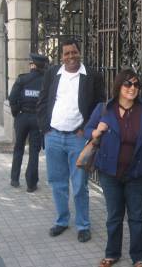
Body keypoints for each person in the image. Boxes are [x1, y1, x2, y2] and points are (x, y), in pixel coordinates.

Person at [84, 69, 142, 267]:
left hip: (137, 173)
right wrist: (96, 131)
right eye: (128, 84)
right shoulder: (104, 109)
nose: (132, 88)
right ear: (118, 87)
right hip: (109, 172)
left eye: (136, 85)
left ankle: (140, 258)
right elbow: (87, 131)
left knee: (137, 217)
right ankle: (112, 253)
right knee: (114, 216)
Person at [37, 38, 104, 242]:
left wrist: (85, 130)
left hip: (77, 138)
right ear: (61, 56)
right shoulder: (52, 74)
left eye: (74, 52)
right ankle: (62, 220)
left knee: (79, 184)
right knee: (57, 182)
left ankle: (83, 225)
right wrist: (45, 129)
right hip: (53, 136)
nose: (71, 57)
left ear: (79, 52)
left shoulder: (92, 76)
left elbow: (100, 106)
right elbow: (43, 101)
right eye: (66, 53)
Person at [9, 52, 49, 192]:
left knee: (18, 147)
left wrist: (17, 114)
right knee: (34, 151)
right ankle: (31, 184)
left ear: (32, 64)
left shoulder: (23, 79)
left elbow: (12, 98)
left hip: (23, 117)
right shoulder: (46, 82)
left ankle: (14, 179)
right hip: (37, 119)